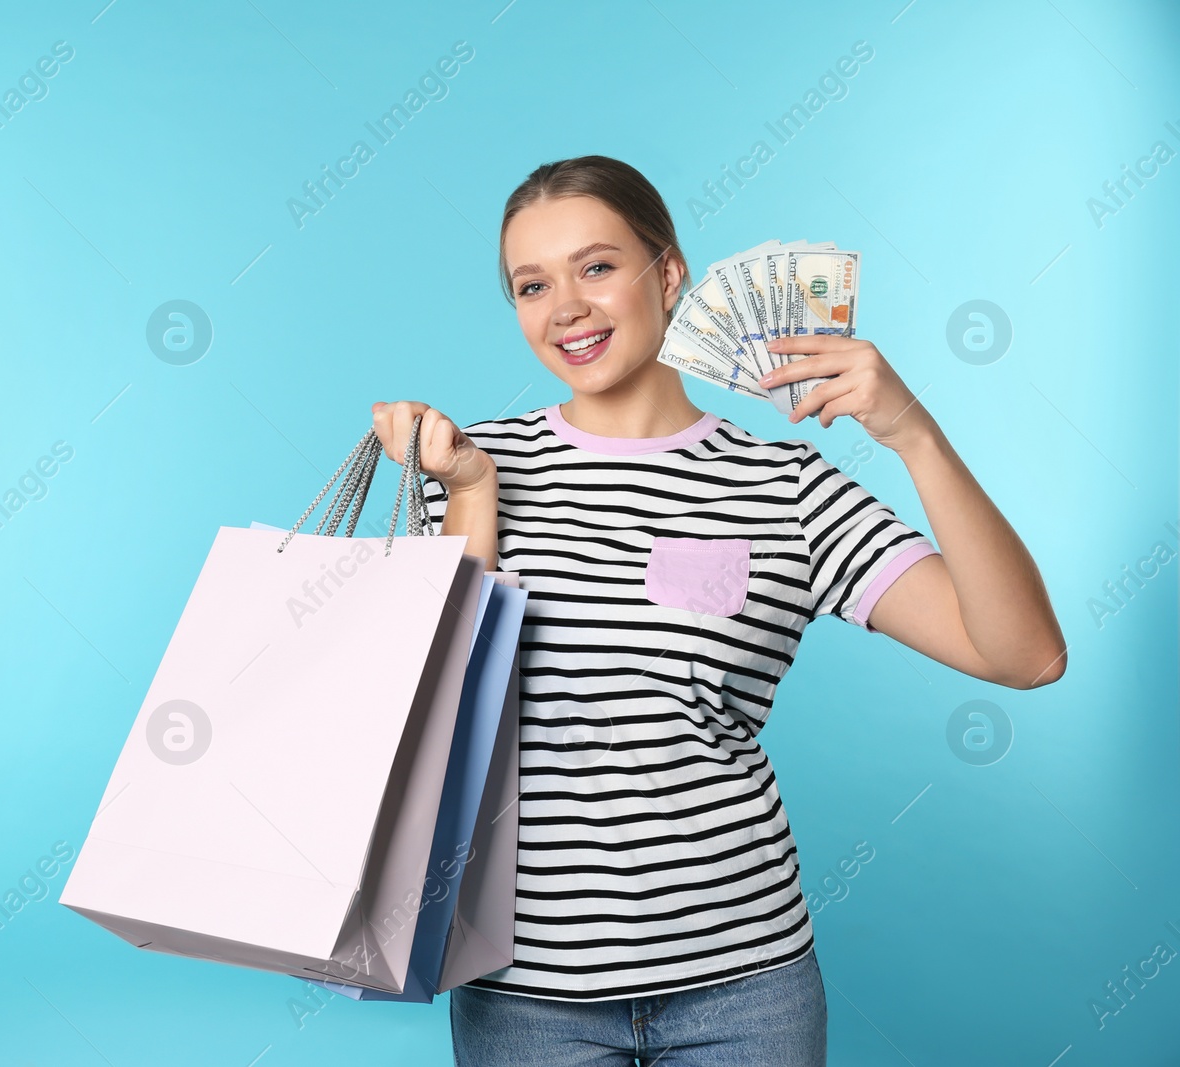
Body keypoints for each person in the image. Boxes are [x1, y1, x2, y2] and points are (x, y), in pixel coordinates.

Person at [369, 155, 1066, 1067]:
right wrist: (468, 491)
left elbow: (1022, 655)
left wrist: (912, 434)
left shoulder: (787, 488)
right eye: (532, 285)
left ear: (668, 274)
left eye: (597, 266)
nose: (567, 306)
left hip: (747, 987)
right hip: (524, 992)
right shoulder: (468, 469)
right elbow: (433, 711)